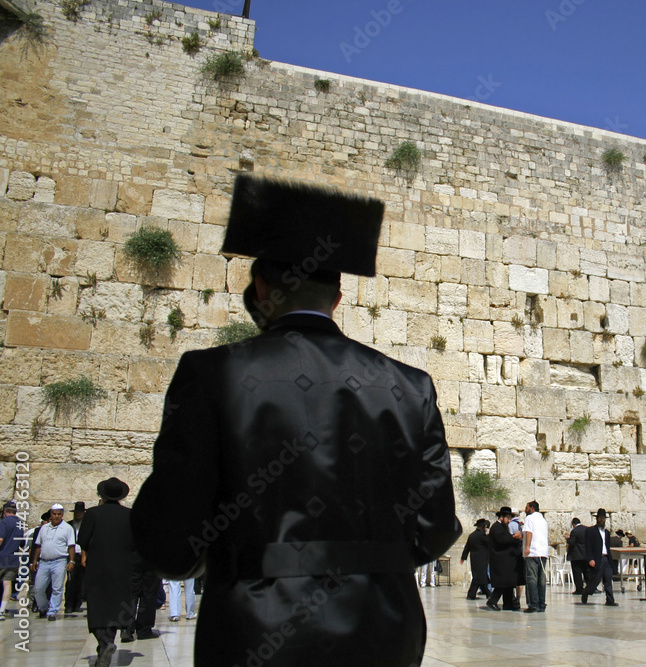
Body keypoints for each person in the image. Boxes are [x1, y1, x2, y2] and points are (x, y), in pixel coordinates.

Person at [130, 175, 461, 666]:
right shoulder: (411, 387)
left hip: (254, 631)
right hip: (383, 630)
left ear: (261, 286)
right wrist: (368, 564)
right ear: (338, 295)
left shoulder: (210, 375)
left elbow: (171, 541)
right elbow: (435, 528)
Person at [76, 478, 136, 667]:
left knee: (97, 607)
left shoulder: (93, 513)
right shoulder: (129, 515)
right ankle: (105, 646)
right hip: (122, 569)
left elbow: (83, 540)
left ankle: (105, 642)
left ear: (102, 495)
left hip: (98, 568)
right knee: (114, 607)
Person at [32, 503, 76, 620]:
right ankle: (43, 607)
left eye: (59, 514)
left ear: (62, 515)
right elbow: (38, 545)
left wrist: (71, 561)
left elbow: (71, 546)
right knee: (38, 588)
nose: (56, 516)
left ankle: (52, 611)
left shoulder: (67, 528)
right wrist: (34, 561)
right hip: (44, 562)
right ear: (51, 514)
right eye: (54, 514)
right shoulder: (44, 528)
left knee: (57, 588)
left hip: (59, 561)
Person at [486, 507, 522, 611]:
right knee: (503, 583)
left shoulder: (503, 527)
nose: (509, 520)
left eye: (510, 518)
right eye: (508, 518)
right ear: (501, 517)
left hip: (506, 560)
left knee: (509, 583)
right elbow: (502, 540)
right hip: (500, 560)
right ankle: (492, 601)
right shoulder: (496, 527)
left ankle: (508, 604)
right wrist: (514, 537)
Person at [581, 508, 618, 606]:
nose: (602, 520)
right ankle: (586, 592)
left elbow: (607, 546)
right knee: (595, 581)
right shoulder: (590, 531)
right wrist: (590, 559)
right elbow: (587, 546)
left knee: (608, 579)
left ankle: (610, 600)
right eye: (601, 518)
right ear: (597, 518)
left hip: (606, 559)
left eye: (604, 518)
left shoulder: (607, 533)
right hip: (597, 559)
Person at [522, 501, 548, 613]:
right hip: (543, 552)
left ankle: (533, 604)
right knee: (541, 580)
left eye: (526, 508)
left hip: (532, 552)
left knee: (532, 579)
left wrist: (527, 547)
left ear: (532, 509)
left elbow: (528, 532)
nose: (525, 510)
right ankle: (541, 604)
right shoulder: (543, 520)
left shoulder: (530, 518)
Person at [0, 502, 25, 620]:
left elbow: (0, 539)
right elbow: (21, 542)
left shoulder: (4, 522)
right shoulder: (20, 523)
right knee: (7, 583)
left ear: (5, 511)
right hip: (13, 559)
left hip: (2, 557)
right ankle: (2, 610)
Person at [64, 501, 87, 614]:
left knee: (81, 582)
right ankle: (69, 604)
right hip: (72, 556)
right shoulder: (68, 525)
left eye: (80, 513)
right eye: (77, 513)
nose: (78, 515)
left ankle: (77, 604)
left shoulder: (86, 525)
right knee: (71, 581)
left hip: (82, 555)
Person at [460, 519, 491, 600]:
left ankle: (485, 592)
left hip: (474, 559)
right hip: (482, 559)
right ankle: (472, 594)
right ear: (483, 526)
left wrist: (463, 557)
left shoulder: (472, 535)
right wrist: (489, 535)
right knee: (480, 576)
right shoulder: (482, 536)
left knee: (479, 576)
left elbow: (467, 547)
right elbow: (490, 543)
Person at [567, 518, 588, 595]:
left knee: (577, 573)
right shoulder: (587, 529)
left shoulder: (574, 531)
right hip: (586, 555)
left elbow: (572, 542)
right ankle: (590, 587)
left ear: (573, 524)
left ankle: (579, 589)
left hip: (576, 556)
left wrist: (567, 539)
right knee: (586, 572)